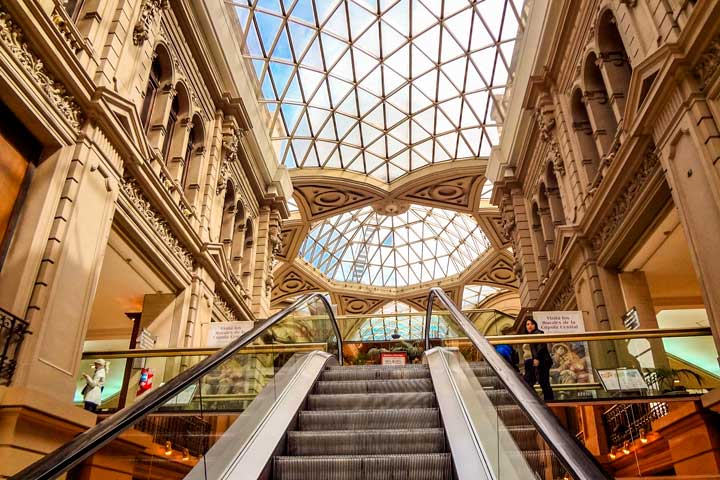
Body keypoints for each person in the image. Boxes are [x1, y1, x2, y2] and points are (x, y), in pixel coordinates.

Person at [523, 318, 554, 401]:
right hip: (538, 361)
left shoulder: (538, 333)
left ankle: (549, 400)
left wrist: (537, 358)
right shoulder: (530, 336)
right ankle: (543, 399)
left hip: (542, 361)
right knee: (539, 381)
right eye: (527, 324)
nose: (529, 326)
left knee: (543, 382)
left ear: (535, 325)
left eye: (531, 324)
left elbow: (541, 347)